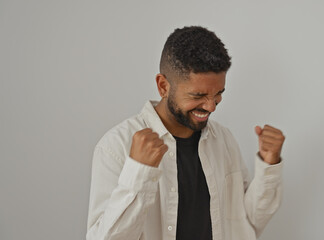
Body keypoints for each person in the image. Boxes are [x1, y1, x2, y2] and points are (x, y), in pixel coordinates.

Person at [86, 26, 286, 240]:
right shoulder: (116, 146)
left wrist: (269, 165)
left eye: (218, 94)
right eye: (198, 95)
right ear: (163, 86)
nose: (211, 107)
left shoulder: (224, 140)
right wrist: (139, 172)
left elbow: (245, 224)